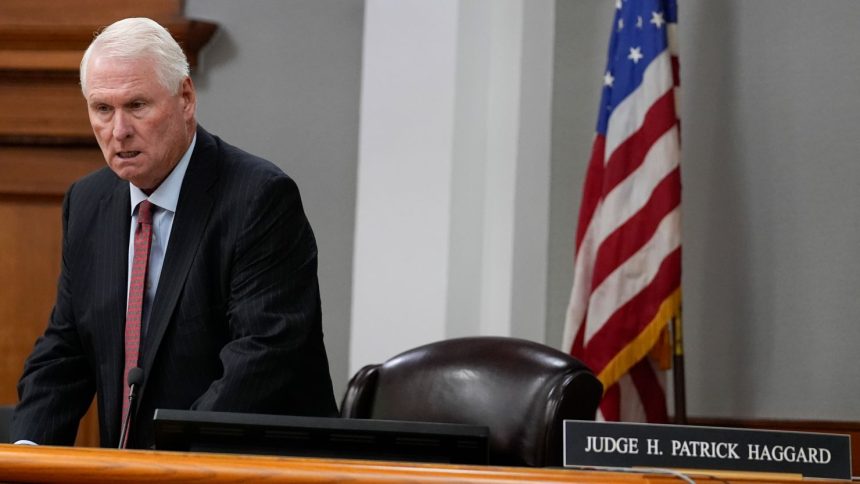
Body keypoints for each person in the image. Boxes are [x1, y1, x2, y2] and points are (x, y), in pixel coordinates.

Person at [10, 17, 338, 449]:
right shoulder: (88, 203)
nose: (118, 130)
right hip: (133, 471)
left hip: (243, 467)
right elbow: (65, 347)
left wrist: (166, 460)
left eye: (138, 106)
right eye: (103, 109)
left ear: (185, 97)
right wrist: (28, 453)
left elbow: (262, 357)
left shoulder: (258, 197)